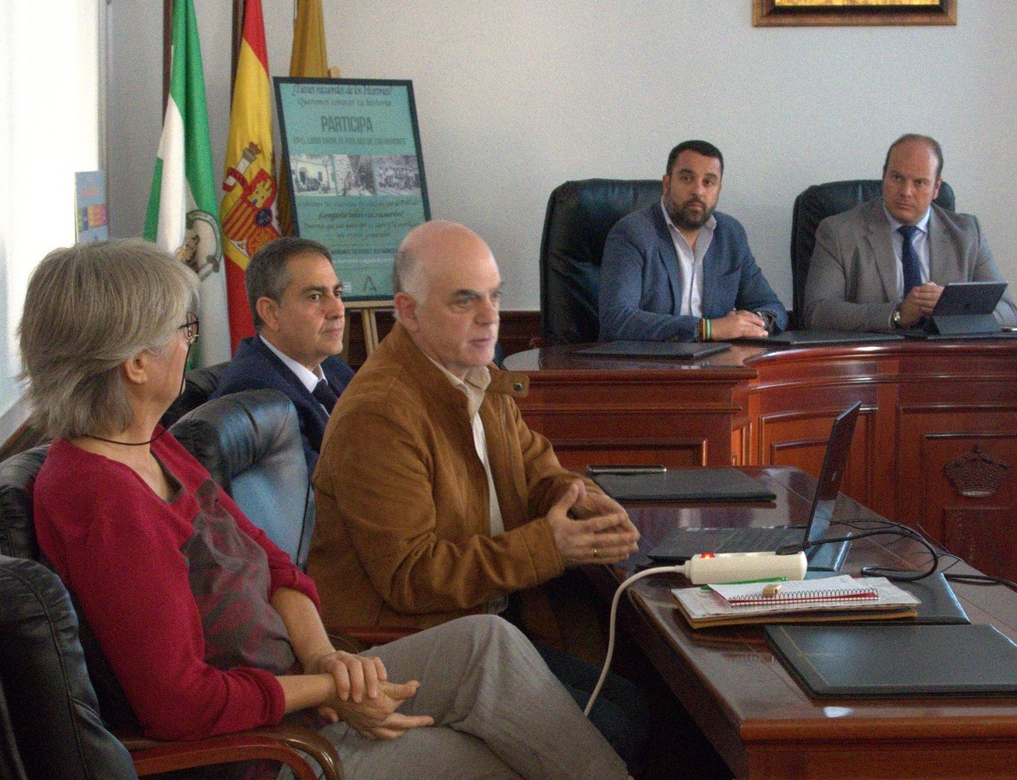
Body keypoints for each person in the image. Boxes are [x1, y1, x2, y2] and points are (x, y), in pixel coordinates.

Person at [19, 238, 631, 780]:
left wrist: (326, 660)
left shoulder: (155, 445)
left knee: (487, 645)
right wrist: (331, 689)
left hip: (302, 687)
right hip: (261, 750)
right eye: (181, 331)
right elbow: (184, 705)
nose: (191, 343)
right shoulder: (99, 499)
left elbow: (279, 567)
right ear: (134, 364)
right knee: (497, 757)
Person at [308, 220, 648, 774]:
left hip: (494, 616)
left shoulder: (475, 374)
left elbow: (533, 463)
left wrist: (576, 499)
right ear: (409, 311)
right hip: (412, 643)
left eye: (494, 297)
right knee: (615, 726)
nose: (489, 316)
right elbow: (411, 576)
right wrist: (550, 547)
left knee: (634, 706)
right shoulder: (381, 412)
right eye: (465, 301)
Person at [802, 133, 1017, 332]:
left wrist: (952, 309)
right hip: (873, 363)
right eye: (897, 178)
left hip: (947, 363)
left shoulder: (967, 233)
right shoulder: (839, 232)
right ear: (884, 175)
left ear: (936, 188)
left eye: (919, 182)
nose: (906, 192)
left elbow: (1009, 311)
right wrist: (897, 314)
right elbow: (817, 312)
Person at [598, 139, 787, 342]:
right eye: (687, 179)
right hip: (648, 365)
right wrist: (705, 329)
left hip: (715, 364)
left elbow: (773, 308)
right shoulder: (633, 232)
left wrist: (755, 322)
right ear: (667, 184)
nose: (698, 190)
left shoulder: (730, 234)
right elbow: (617, 319)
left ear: (718, 190)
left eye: (708, 182)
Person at [211, 237, 355, 474]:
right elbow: (322, 493)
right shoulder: (254, 390)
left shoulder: (333, 369)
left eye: (337, 293)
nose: (338, 310)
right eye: (315, 297)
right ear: (271, 312)